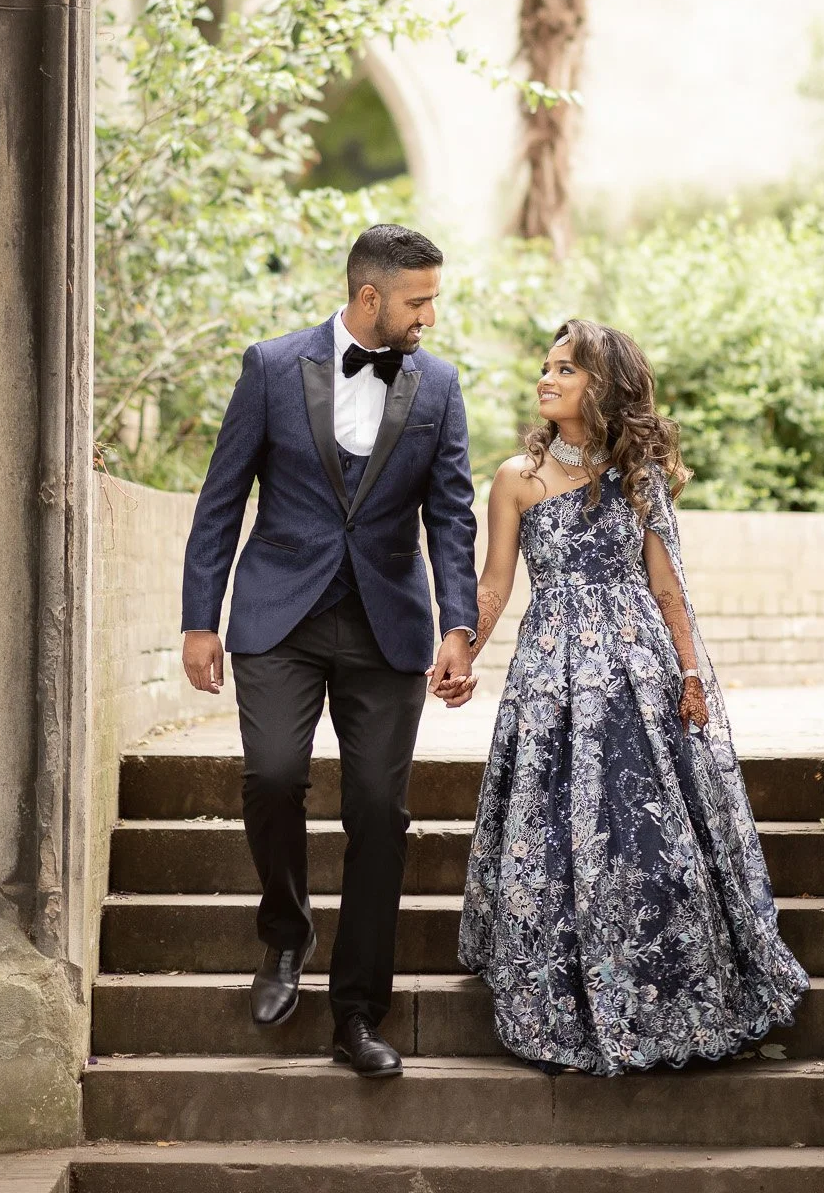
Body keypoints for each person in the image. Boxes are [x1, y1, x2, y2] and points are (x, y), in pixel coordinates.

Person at [457, 317, 809, 1073]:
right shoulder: (515, 480)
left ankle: (664, 989)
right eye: (545, 367)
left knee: (647, 834)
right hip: (550, 680)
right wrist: (465, 650)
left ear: (603, 387)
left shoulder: (639, 477)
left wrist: (689, 674)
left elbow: (665, 584)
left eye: (566, 369)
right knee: (552, 833)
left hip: (636, 674)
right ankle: (559, 991)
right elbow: (495, 583)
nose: (547, 379)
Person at [180, 223, 478, 1079]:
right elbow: (221, 497)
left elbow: (452, 515)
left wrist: (458, 627)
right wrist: (203, 618)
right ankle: (285, 935)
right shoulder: (272, 367)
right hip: (280, 616)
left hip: (388, 626)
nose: (430, 314)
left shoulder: (440, 386)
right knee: (273, 776)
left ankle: (358, 1013)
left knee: (379, 818)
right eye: (418, 300)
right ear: (370, 296)